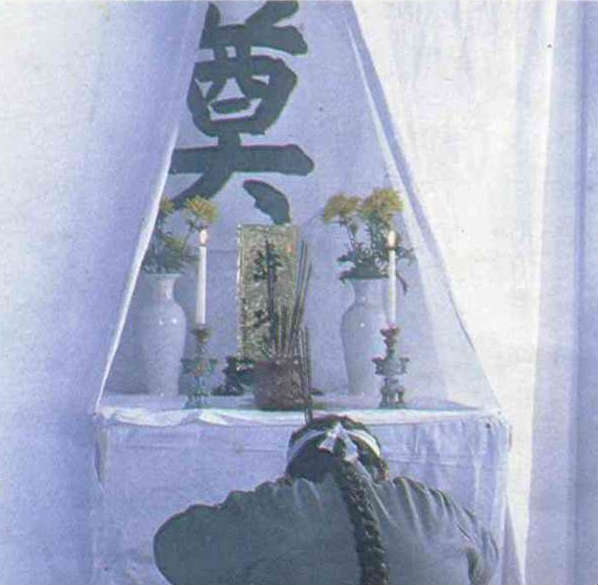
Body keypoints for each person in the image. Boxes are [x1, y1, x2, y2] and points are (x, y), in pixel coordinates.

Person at [154, 415, 498, 585]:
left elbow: (173, 550)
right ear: (381, 472)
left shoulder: (274, 507)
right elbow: (487, 565)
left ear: (292, 476)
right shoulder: (433, 507)